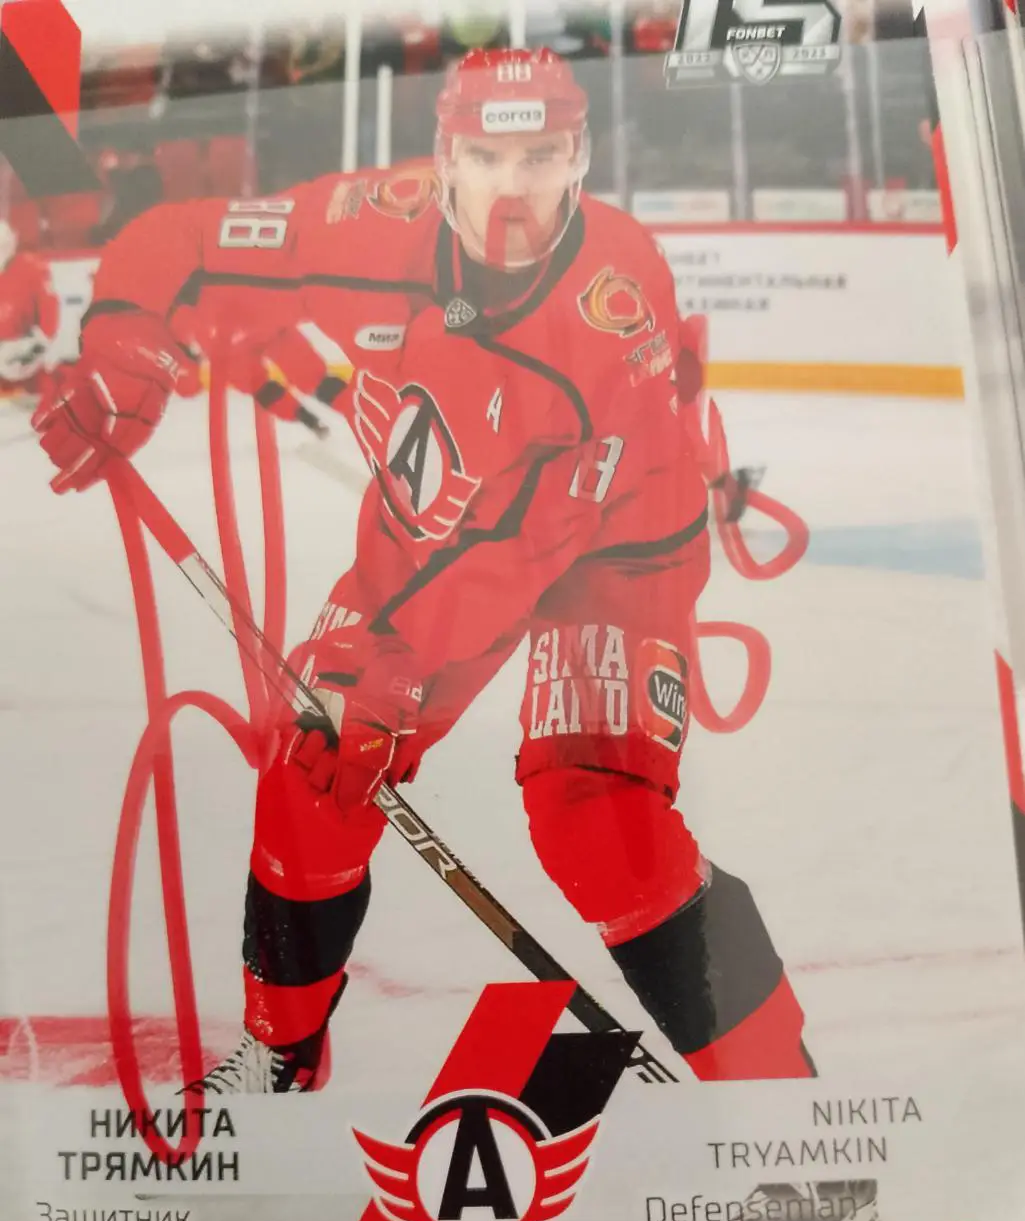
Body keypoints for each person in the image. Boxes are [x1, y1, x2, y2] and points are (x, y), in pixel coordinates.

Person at [32, 48, 814, 1092]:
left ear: (578, 158)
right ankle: (282, 1050)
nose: (511, 187)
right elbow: (176, 243)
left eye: (538, 156)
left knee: (600, 822)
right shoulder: (366, 224)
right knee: (313, 766)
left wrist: (393, 674)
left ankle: (782, 1106)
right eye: (486, 157)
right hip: (433, 541)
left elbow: (532, 538)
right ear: (443, 158)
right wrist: (124, 355)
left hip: (614, 547)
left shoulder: (614, 302)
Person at [0, 220, 58, 399]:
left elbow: (49, 317)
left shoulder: (32, 269)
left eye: (4, 244)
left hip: (23, 362)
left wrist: (33, 349)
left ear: (14, 241)